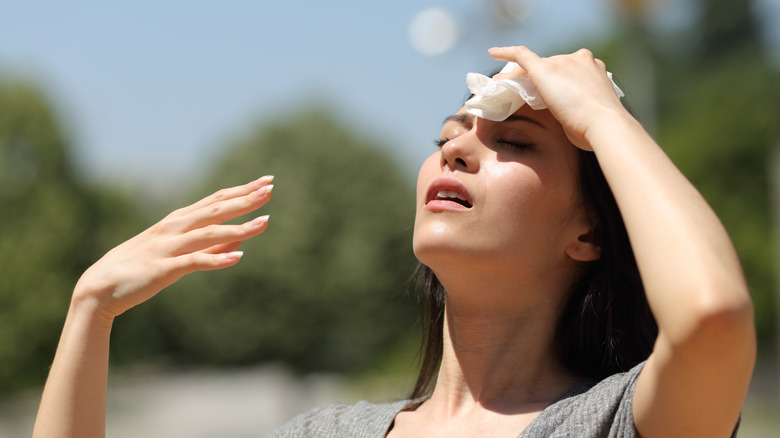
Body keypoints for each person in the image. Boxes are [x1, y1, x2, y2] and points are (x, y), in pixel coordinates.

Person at [33, 46, 755, 438]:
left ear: (589, 230)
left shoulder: (616, 421)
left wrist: (601, 115)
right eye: (445, 136)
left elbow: (710, 320)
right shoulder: (325, 435)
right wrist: (90, 312)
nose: (457, 152)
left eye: (514, 142)